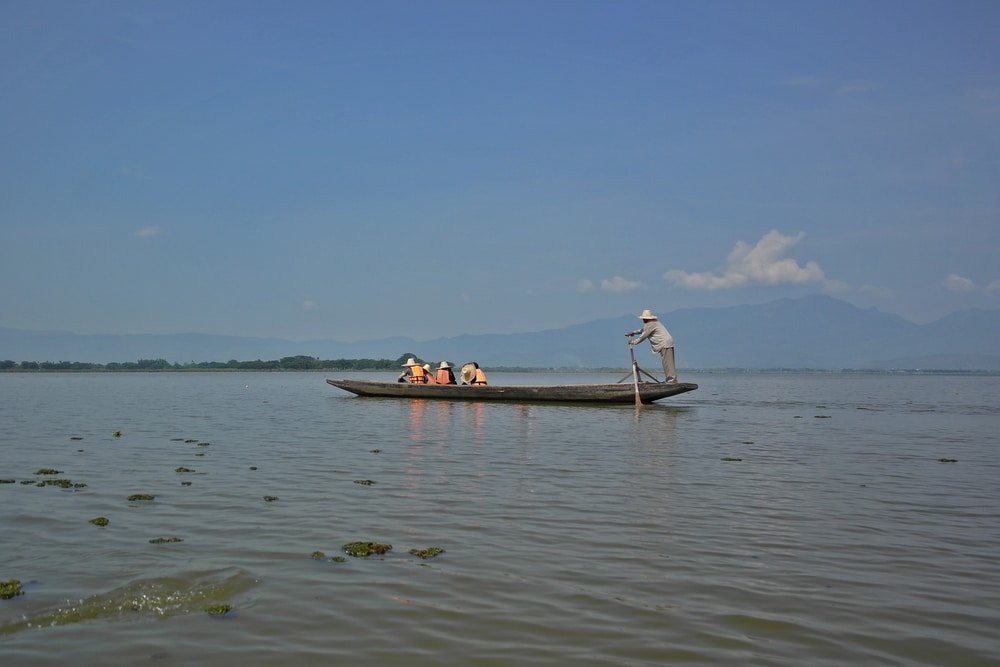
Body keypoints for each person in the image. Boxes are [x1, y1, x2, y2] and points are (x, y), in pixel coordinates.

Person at [626, 309, 677, 383]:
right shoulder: (652, 323)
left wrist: (633, 342)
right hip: (666, 343)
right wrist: (633, 332)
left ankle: (672, 380)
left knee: (668, 363)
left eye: (644, 318)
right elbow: (643, 330)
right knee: (666, 363)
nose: (643, 320)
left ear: (647, 318)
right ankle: (669, 380)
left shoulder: (650, 324)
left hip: (665, 343)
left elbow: (643, 336)